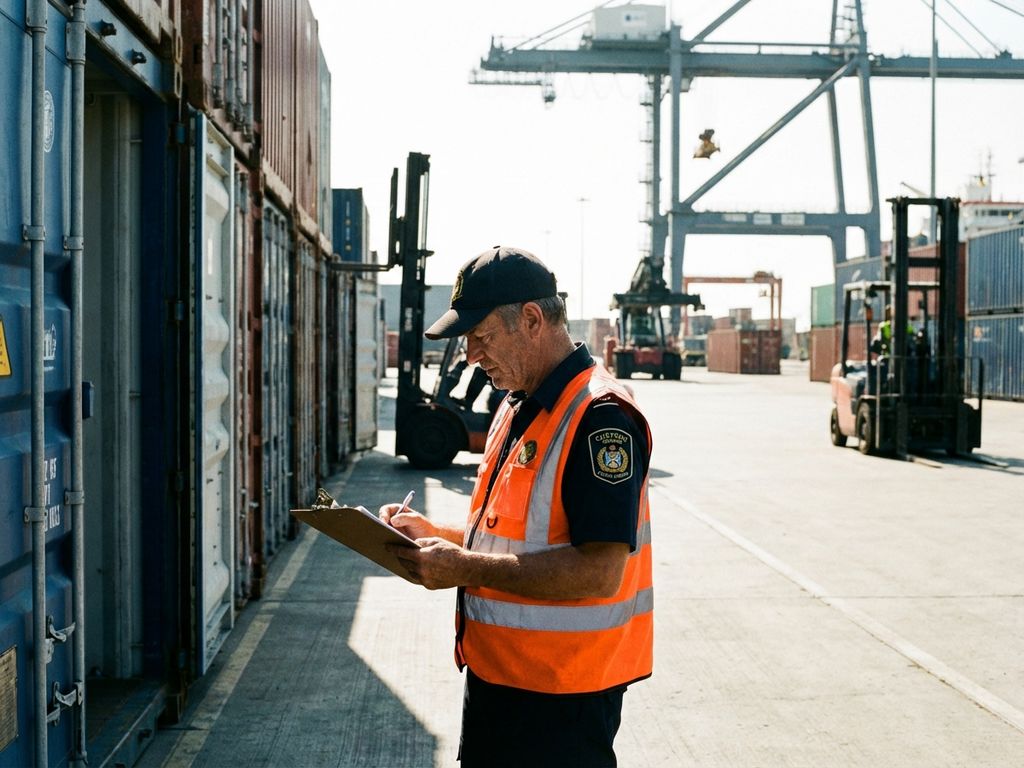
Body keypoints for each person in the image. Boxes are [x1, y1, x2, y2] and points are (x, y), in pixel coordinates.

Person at [378, 246, 653, 768]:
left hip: (561, 696)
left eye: (481, 339)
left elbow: (599, 572)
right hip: (501, 678)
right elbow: (510, 533)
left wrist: (461, 568)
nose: (473, 357)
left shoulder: (600, 417)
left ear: (531, 319)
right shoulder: (518, 405)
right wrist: (434, 533)